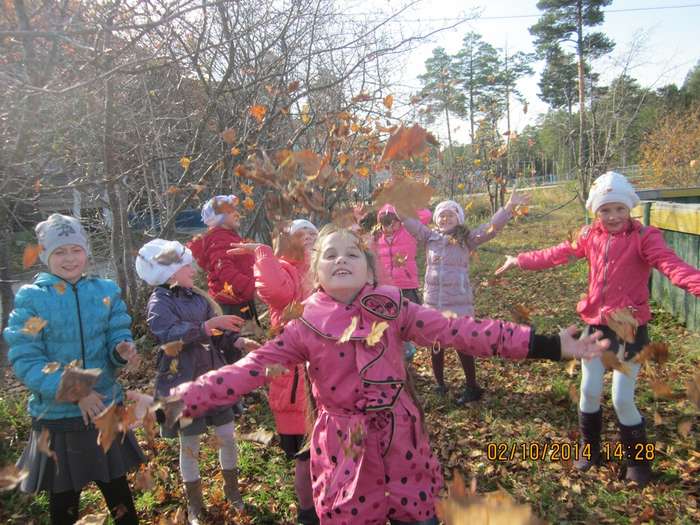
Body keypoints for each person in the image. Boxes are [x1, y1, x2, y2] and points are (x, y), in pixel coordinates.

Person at [171, 225, 607, 525]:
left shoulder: (397, 311)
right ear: (315, 274)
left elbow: (465, 331)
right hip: (343, 452)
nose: (341, 259)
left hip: (404, 445)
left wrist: (549, 345)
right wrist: (177, 401)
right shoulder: (302, 331)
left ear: (369, 268)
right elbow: (246, 371)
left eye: (352, 252)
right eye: (330, 254)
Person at [495, 171, 700, 487]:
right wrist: (519, 259)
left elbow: (671, 265)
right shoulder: (590, 235)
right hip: (597, 329)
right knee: (589, 391)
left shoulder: (645, 237)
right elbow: (558, 253)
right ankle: (589, 449)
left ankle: (639, 462)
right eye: (605, 209)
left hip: (630, 332)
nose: (613, 216)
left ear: (629, 206)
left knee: (622, 399)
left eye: (619, 208)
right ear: (596, 211)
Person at [4, 214, 144, 525]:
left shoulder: (103, 293)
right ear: (45, 256)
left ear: (86, 251)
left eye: (75, 250)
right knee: (64, 501)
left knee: (118, 493)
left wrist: (121, 349)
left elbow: (116, 330)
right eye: (59, 252)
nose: (70, 259)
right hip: (59, 417)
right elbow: (27, 356)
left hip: (105, 406)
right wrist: (76, 391)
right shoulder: (36, 302)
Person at [135, 239, 257, 523]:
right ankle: (195, 503)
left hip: (214, 379)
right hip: (181, 383)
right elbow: (167, 334)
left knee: (227, 435)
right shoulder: (159, 302)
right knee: (190, 444)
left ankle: (232, 491)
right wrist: (206, 327)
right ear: (169, 272)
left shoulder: (199, 298)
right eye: (185, 265)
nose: (192, 269)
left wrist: (237, 340)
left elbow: (218, 333)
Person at [229, 218, 319, 525]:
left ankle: (332, 503)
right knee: (305, 457)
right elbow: (275, 292)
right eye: (300, 233)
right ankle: (308, 514)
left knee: (331, 451)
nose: (307, 237)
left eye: (312, 232)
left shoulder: (325, 267)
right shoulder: (286, 270)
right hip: (296, 379)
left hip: (329, 376)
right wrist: (264, 253)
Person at [402, 190, 528, 403]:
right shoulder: (430, 237)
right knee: (436, 345)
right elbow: (409, 223)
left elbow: (491, 229)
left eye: (450, 215)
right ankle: (440, 383)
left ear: (458, 218)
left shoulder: (466, 239)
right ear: (436, 219)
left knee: (463, 344)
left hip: (458, 303)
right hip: (433, 303)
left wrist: (508, 208)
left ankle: (472, 387)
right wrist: (397, 204)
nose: (445, 218)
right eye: (442, 215)